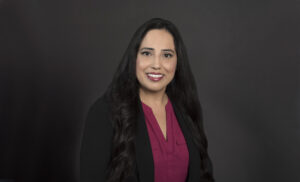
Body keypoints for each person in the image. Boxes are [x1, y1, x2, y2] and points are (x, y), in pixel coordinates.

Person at [80, 18, 214, 182]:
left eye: (166, 55)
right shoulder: (104, 112)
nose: (156, 64)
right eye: (147, 53)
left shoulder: (186, 109)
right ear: (134, 58)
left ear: (177, 62)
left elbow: (203, 174)